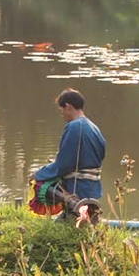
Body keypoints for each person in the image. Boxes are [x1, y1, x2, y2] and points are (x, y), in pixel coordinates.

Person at [34, 89, 108, 223]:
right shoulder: (94, 128)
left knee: (41, 184)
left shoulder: (74, 126)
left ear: (68, 106)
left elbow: (64, 164)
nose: (62, 115)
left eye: (62, 110)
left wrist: (39, 174)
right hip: (93, 188)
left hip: (78, 188)